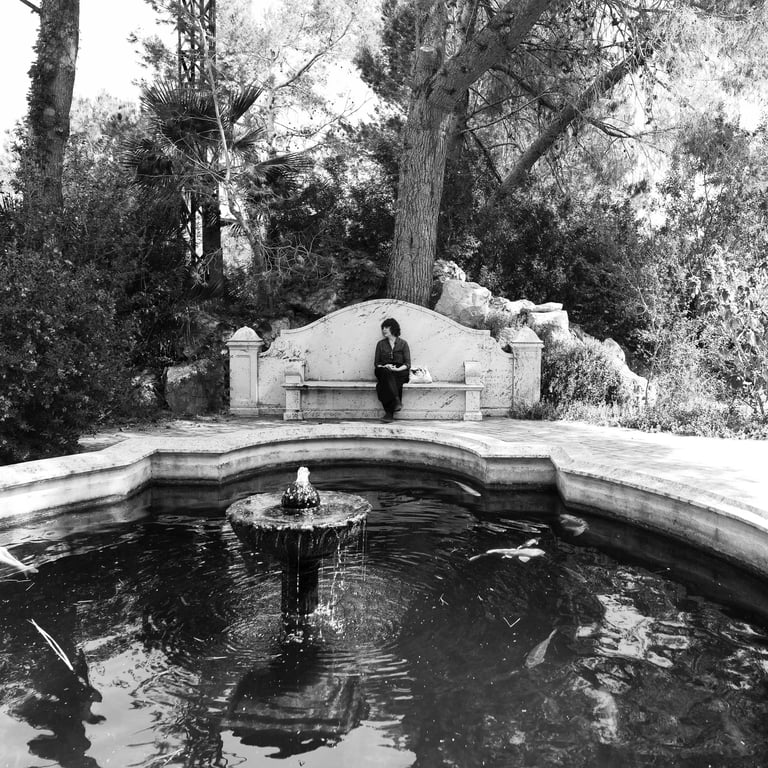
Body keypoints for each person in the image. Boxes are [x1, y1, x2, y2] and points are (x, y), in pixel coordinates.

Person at [374, 318, 410, 422]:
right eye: (383, 328)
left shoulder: (403, 344)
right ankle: (396, 400)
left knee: (388, 383)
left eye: (386, 327)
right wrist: (386, 366)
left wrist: (397, 369)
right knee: (386, 375)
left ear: (393, 328)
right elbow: (376, 363)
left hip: (399, 370)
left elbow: (407, 364)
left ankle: (389, 414)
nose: (384, 330)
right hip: (383, 370)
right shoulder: (380, 344)